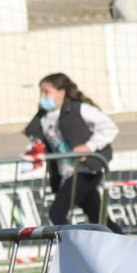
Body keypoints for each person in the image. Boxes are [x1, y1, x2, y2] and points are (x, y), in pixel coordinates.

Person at [23, 72, 120, 228]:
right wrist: (33, 152)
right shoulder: (43, 117)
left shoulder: (79, 109)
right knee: (100, 218)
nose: (42, 96)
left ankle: (72, 245)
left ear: (61, 92)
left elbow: (110, 128)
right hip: (65, 173)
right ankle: (125, 245)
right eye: (41, 92)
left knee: (57, 213)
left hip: (85, 170)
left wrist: (89, 147)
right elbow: (41, 142)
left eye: (46, 92)